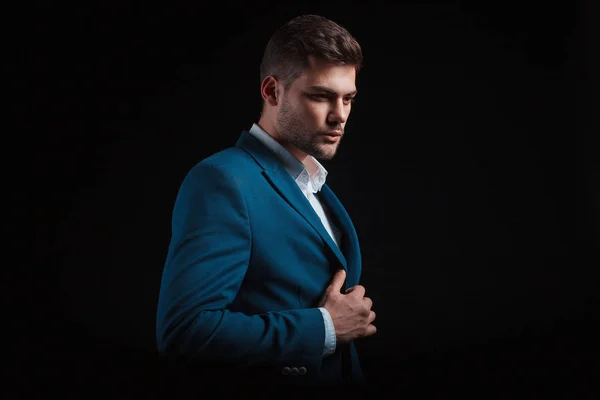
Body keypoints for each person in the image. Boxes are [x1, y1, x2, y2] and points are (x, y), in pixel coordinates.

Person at [155, 14, 376, 386]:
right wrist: (324, 327)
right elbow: (185, 332)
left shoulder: (311, 183)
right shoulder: (223, 180)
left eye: (348, 98)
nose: (339, 116)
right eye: (320, 96)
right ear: (272, 91)